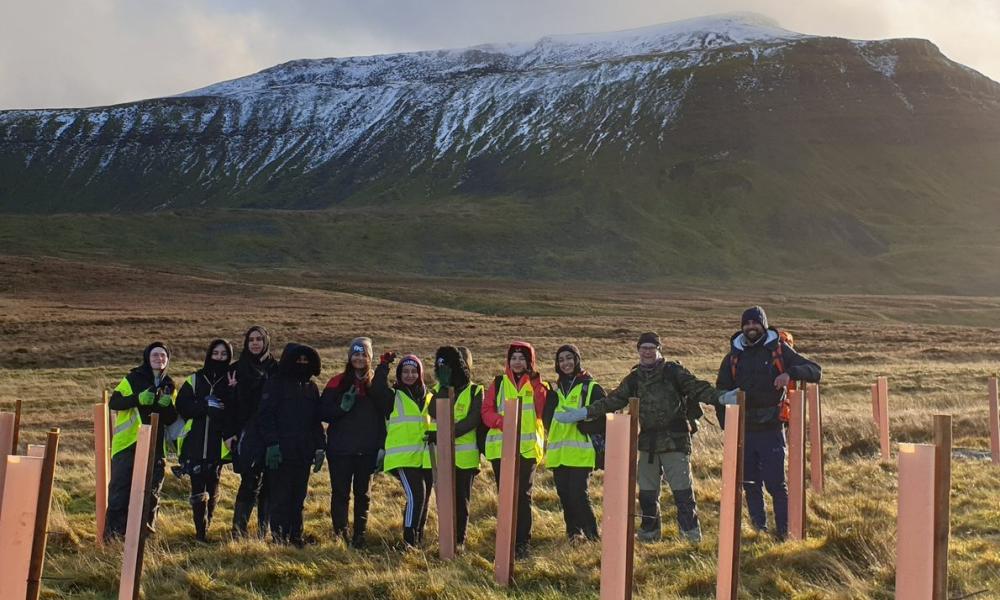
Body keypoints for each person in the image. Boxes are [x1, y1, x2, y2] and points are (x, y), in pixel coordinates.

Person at [557, 332, 731, 543]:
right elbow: (612, 401)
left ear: (659, 350)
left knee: (682, 492)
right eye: (643, 348)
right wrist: (583, 413)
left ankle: (691, 537)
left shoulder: (674, 372)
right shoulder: (634, 378)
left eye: (652, 348)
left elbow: (698, 389)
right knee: (647, 494)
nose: (647, 352)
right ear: (638, 351)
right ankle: (649, 535)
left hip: (675, 441)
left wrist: (722, 397)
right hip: (648, 443)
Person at [716, 306, 822, 540]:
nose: (751, 327)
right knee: (750, 483)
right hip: (744, 430)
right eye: (747, 324)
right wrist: (728, 427)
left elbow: (816, 371)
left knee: (776, 484)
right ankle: (758, 530)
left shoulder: (779, 350)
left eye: (756, 323)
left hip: (772, 429)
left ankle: (784, 532)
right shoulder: (733, 357)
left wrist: (790, 374)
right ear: (742, 326)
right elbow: (720, 392)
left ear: (763, 325)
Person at [321, 337, 394, 547]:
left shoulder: (375, 386)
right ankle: (340, 536)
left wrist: (382, 447)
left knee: (364, 495)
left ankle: (359, 536)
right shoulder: (336, 382)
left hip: (368, 450)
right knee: (340, 493)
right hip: (339, 450)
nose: (360, 358)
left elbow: (386, 413)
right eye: (356, 354)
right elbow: (323, 412)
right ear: (349, 356)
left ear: (370, 357)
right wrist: (341, 409)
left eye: (364, 354)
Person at [104, 342, 179, 541]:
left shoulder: (169, 384)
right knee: (121, 492)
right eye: (155, 355)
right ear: (147, 357)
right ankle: (114, 538)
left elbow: (171, 419)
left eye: (163, 356)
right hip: (128, 444)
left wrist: (168, 406)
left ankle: (144, 537)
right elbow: (115, 403)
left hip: (155, 446)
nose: (159, 359)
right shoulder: (133, 378)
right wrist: (137, 399)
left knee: (151, 493)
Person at [480, 341, 548, 558]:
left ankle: (522, 543)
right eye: (514, 358)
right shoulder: (498, 383)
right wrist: (502, 422)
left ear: (530, 362)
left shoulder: (538, 384)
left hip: (527, 450)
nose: (517, 362)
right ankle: (506, 538)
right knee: (506, 495)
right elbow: (486, 411)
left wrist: (536, 383)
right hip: (501, 449)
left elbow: (541, 410)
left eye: (522, 358)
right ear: (508, 362)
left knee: (523, 496)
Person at [259, 343, 325, 546]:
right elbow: (265, 415)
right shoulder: (275, 384)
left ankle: (296, 536)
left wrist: (320, 446)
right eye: (298, 360)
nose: (302, 364)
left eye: (306, 360)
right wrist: (272, 444)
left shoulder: (311, 388)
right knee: (280, 497)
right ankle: (279, 539)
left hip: (303, 452)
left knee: (298, 498)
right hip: (280, 452)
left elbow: (316, 420)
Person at [175, 339, 237, 542]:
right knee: (197, 488)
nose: (219, 357)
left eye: (224, 354)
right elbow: (182, 405)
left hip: (217, 445)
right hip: (194, 442)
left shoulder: (231, 379)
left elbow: (236, 408)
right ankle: (200, 533)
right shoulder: (195, 379)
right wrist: (204, 405)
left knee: (213, 487)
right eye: (216, 353)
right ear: (209, 355)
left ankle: (208, 523)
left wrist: (232, 393)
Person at [542, 344, 605, 541]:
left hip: (582, 452)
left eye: (569, 358)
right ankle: (573, 534)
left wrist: (585, 425)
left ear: (577, 360)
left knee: (579, 495)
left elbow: (605, 417)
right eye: (561, 360)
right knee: (565, 496)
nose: (565, 363)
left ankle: (592, 535)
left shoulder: (591, 387)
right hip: (558, 453)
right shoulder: (555, 390)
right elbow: (547, 419)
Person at [427, 345, 483, 549]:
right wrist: (443, 385)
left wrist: (444, 434)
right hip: (443, 457)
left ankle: (459, 540)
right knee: (444, 500)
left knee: (461, 501)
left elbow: (473, 420)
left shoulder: (476, 391)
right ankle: (446, 538)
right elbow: (433, 409)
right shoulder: (440, 389)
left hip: (465, 459)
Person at [230, 325, 278, 539]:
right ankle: (238, 531)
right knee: (249, 480)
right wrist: (230, 433)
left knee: (269, 482)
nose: (255, 343)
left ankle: (262, 532)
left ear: (266, 342)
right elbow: (228, 406)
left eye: (259, 339)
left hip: (271, 432)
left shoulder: (276, 368)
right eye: (251, 340)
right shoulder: (236, 369)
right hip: (247, 433)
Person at [382, 354, 434, 547]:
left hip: (425, 457)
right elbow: (377, 389)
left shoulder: (429, 396)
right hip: (402, 457)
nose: (410, 375)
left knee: (425, 497)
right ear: (399, 374)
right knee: (416, 496)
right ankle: (409, 540)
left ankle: (418, 538)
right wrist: (383, 366)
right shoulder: (393, 396)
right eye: (405, 371)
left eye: (414, 371)